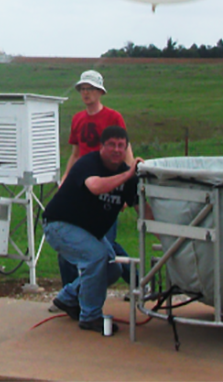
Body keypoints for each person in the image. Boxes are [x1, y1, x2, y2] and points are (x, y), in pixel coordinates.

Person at [43, 126, 144, 333]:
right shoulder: (88, 163)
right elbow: (96, 187)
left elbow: (141, 209)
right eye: (112, 145)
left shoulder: (128, 177)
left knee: (112, 268)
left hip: (88, 230)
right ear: (102, 147)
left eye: (121, 146)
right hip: (59, 224)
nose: (117, 150)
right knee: (96, 257)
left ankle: (68, 298)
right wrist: (128, 174)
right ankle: (90, 317)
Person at [57, 70, 134, 286]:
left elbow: (124, 150)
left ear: (100, 92)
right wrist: (65, 179)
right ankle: (70, 293)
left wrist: (128, 183)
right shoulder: (78, 119)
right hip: (84, 187)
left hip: (108, 185)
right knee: (74, 239)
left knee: (104, 242)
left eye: (90, 89)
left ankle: (138, 282)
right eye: (83, 89)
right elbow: (76, 153)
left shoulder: (113, 117)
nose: (86, 93)